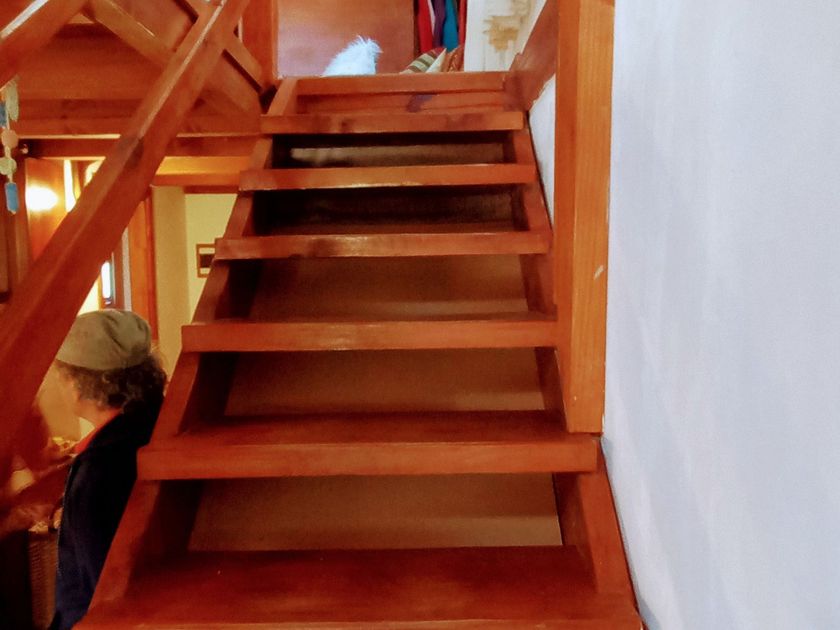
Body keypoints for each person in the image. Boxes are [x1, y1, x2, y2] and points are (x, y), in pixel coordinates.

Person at [49, 310, 166, 630]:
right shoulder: (159, 425)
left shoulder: (98, 473)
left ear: (77, 385)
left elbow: (101, 591)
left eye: (61, 376)